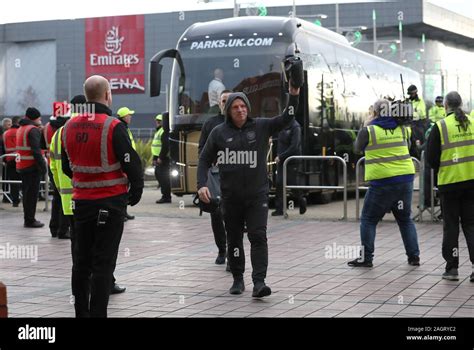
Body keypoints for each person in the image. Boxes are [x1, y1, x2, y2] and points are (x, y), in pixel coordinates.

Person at [197, 83, 300, 298]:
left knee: (258, 236)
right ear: (228, 111)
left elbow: (286, 119)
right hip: (230, 197)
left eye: (243, 106)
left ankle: (259, 282)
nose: (240, 110)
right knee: (234, 239)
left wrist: (293, 94)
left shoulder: (261, 126)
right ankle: (237, 278)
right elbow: (204, 159)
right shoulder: (218, 133)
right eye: (235, 107)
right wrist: (201, 185)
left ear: (248, 108)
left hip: (257, 195)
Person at [62, 75, 143, 317]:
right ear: (107, 95)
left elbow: (67, 166)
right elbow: (131, 162)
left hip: (81, 204)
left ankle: (81, 313)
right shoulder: (113, 126)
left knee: (81, 263)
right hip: (110, 203)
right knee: (103, 265)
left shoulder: (69, 127)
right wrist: (135, 191)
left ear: (86, 96)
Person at [348, 99, 420, 267]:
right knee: (405, 219)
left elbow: (357, 148)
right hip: (405, 180)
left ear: (375, 112)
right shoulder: (403, 129)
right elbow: (408, 146)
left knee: (368, 219)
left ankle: (366, 258)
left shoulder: (369, 130)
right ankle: (414, 256)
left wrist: (365, 124)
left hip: (382, 182)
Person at [426, 91, 474, 282]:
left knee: (451, 226)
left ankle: (452, 268)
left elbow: (431, 159)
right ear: (460, 104)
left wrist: (444, 167)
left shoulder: (440, 126)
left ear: (445, 106)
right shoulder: (472, 122)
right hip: (472, 183)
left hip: (449, 184)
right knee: (471, 225)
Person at [198, 90, 231, 268]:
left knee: (233, 216)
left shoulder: (242, 123)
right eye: (223, 100)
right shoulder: (211, 124)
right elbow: (202, 150)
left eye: (229, 100)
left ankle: (233, 255)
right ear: (219, 103)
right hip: (216, 176)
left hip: (235, 178)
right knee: (217, 214)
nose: (226, 103)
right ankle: (222, 250)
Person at [42, 103, 71, 239]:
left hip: (53, 167)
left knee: (57, 199)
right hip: (65, 171)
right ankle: (63, 230)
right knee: (66, 201)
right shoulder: (66, 130)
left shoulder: (49, 128)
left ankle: (54, 228)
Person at [16, 108, 47, 228]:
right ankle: (30, 220)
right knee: (32, 195)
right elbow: (36, 151)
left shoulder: (21, 128)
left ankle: (28, 218)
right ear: (35, 118)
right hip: (32, 167)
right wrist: (43, 167)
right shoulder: (33, 130)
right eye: (39, 118)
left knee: (27, 194)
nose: (40, 120)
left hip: (22, 166)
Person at [272, 119, 306, 216]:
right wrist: (271, 138)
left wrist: (281, 156)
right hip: (282, 161)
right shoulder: (282, 125)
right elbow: (278, 138)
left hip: (292, 161)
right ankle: (279, 209)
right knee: (279, 183)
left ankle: (301, 200)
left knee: (292, 184)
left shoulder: (296, 127)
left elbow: (294, 146)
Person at [117, 106, 137, 221]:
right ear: (124, 117)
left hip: (128, 162)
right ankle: (121, 213)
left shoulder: (124, 127)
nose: (130, 117)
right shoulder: (121, 128)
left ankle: (124, 212)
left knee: (125, 188)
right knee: (123, 188)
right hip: (125, 163)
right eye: (129, 115)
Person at [152, 113, 171, 204]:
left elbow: (165, 146)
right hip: (158, 158)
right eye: (157, 121)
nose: (157, 122)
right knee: (159, 175)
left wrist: (160, 157)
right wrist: (154, 158)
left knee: (164, 178)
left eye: (160, 121)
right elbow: (155, 146)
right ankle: (166, 195)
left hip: (163, 158)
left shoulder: (163, 132)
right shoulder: (159, 131)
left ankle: (166, 196)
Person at [2, 117, 21, 206]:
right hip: (20, 158)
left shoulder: (5, 133)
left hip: (9, 159)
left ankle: (15, 201)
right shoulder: (21, 132)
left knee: (13, 181)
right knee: (23, 180)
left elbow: (3, 147)